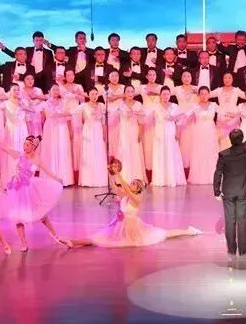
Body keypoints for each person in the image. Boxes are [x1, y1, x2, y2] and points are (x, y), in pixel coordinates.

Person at [66, 167, 201, 248]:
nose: (131, 184)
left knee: (164, 234)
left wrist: (119, 174)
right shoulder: (125, 195)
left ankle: (190, 231)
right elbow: (115, 187)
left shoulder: (136, 198)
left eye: (134, 183)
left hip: (132, 228)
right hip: (119, 225)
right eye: (132, 182)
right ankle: (74, 242)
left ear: (138, 189)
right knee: (101, 238)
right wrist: (111, 175)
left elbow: (125, 188)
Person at [0, 136, 68, 251]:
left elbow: (48, 171)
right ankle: (24, 243)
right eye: (24, 144)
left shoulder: (37, 160)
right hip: (17, 190)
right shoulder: (19, 155)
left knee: (41, 215)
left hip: (29, 190)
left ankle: (54, 234)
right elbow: (6, 149)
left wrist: (58, 179)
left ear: (33, 147)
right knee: (18, 218)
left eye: (27, 145)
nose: (25, 146)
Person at [214, 109, 246, 260]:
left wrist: (216, 191)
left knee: (230, 220)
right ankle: (243, 250)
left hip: (228, 191)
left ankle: (231, 249)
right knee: (242, 219)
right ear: (242, 139)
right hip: (242, 191)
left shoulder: (224, 154)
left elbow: (218, 173)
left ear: (230, 139)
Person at [150, 86, 187, 187]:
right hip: (159, 133)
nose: (166, 96)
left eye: (167, 94)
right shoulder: (155, 106)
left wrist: (177, 133)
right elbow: (150, 119)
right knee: (160, 154)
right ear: (160, 95)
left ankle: (171, 178)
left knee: (171, 153)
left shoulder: (175, 106)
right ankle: (160, 179)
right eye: (164, 94)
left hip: (171, 132)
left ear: (170, 95)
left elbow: (181, 118)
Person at [73, 87, 108, 188]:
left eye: (96, 94)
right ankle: (88, 180)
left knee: (99, 153)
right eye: (92, 94)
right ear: (88, 95)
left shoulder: (101, 105)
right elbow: (73, 112)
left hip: (98, 131)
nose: (94, 96)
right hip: (88, 131)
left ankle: (99, 180)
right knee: (89, 153)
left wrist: (104, 134)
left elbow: (103, 122)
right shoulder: (84, 106)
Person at [184, 86, 220, 184]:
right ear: (199, 95)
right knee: (199, 152)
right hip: (199, 132)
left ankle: (212, 176)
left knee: (211, 153)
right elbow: (185, 115)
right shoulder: (195, 106)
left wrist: (237, 115)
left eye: (206, 94)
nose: (204, 96)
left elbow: (224, 112)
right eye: (202, 94)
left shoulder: (213, 105)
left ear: (209, 94)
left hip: (210, 132)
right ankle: (199, 177)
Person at [39, 85, 74, 186]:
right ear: (49, 91)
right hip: (50, 129)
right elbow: (42, 119)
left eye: (57, 89)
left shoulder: (64, 102)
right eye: (53, 89)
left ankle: (64, 179)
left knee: (62, 150)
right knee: (51, 151)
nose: (56, 91)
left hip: (62, 128)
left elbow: (69, 117)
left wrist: (70, 130)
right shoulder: (44, 103)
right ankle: (50, 178)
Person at [114, 85, 147, 183]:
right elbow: (114, 116)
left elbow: (141, 122)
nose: (130, 94)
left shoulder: (138, 104)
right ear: (124, 93)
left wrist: (140, 134)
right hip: (124, 132)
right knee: (124, 153)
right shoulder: (120, 104)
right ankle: (123, 178)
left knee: (135, 153)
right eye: (128, 91)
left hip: (134, 131)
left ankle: (136, 178)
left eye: (132, 91)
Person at [173, 71, 198, 169]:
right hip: (181, 119)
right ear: (181, 78)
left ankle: (193, 164)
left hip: (193, 119)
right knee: (182, 142)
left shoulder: (196, 88)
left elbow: (205, 97)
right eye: (184, 76)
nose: (186, 78)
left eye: (188, 76)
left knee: (193, 141)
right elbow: (164, 91)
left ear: (191, 78)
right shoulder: (177, 89)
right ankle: (181, 165)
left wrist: (198, 93)